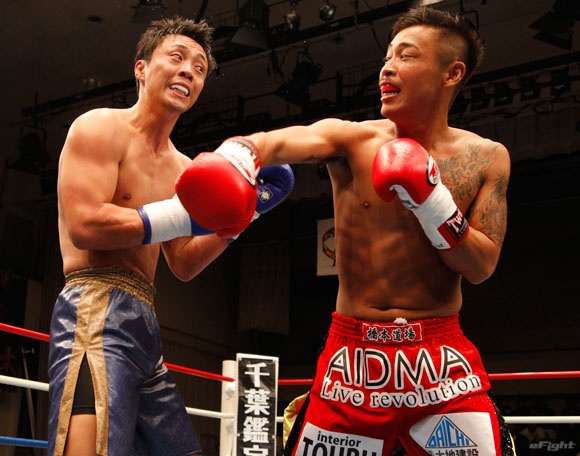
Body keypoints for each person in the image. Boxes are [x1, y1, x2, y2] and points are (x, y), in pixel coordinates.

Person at [190, 5, 514, 455]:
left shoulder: (486, 157)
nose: (387, 67)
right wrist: (240, 154)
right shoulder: (353, 140)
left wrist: (433, 202)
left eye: (406, 55)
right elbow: (277, 142)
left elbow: (481, 266)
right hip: (353, 360)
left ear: (451, 73)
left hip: (440, 364)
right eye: (387, 56)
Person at [47, 16, 294, 456]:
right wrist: (184, 217)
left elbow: (183, 263)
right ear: (141, 68)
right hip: (94, 309)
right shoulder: (100, 127)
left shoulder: (184, 169)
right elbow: (85, 225)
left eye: (199, 68)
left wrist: (243, 216)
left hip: (145, 323)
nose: (188, 72)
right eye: (177, 58)